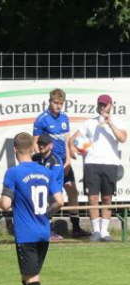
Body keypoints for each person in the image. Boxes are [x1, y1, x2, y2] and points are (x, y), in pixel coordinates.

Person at [0, 132, 65, 285]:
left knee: (32, 280)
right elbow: (60, 201)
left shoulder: (14, 173)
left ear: (15, 150)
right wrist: (46, 214)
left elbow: (5, 204)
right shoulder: (45, 172)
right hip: (43, 233)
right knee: (26, 280)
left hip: (26, 235)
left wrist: (7, 202)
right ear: (33, 148)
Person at [69, 94, 128, 242]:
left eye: (105, 105)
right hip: (92, 164)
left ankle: (104, 232)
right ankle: (95, 231)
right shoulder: (89, 123)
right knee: (93, 198)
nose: (102, 107)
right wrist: (74, 148)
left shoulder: (119, 122)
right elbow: (74, 139)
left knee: (107, 198)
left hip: (110, 164)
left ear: (110, 105)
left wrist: (110, 124)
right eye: (100, 105)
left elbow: (122, 138)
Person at [33, 88, 90, 238]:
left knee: (72, 192)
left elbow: (66, 140)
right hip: (50, 164)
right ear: (49, 102)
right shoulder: (42, 119)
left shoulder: (64, 117)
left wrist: (69, 160)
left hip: (63, 162)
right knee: (51, 197)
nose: (58, 106)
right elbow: (35, 144)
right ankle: (45, 227)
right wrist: (42, 162)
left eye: (60, 103)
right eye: (55, 102)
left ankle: (76, 227)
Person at [33, 133, 65, 241]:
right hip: (38, 191)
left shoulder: (55, 161)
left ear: (51, 145)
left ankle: (48, 230)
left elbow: (50, 181)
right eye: (39, 144)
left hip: (53, 193)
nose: (41, 146)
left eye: (44, 144)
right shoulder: (35, 158)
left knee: (48, 202)